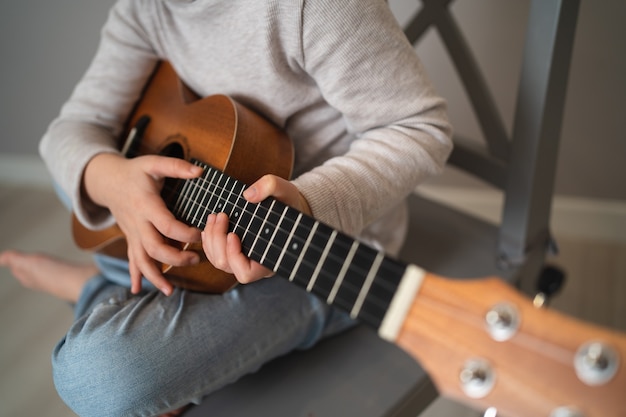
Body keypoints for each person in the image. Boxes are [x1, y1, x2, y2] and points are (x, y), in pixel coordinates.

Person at [0, 0, 452, 416]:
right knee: (78, 177)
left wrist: (309, 202)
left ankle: (97, 291)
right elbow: (72, 128)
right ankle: (148, 289)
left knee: (94, 378)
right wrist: (111, 179)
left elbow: (418, 128)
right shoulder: (148, 7)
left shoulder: (313, 7)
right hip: (202, 210)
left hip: (311, 250)